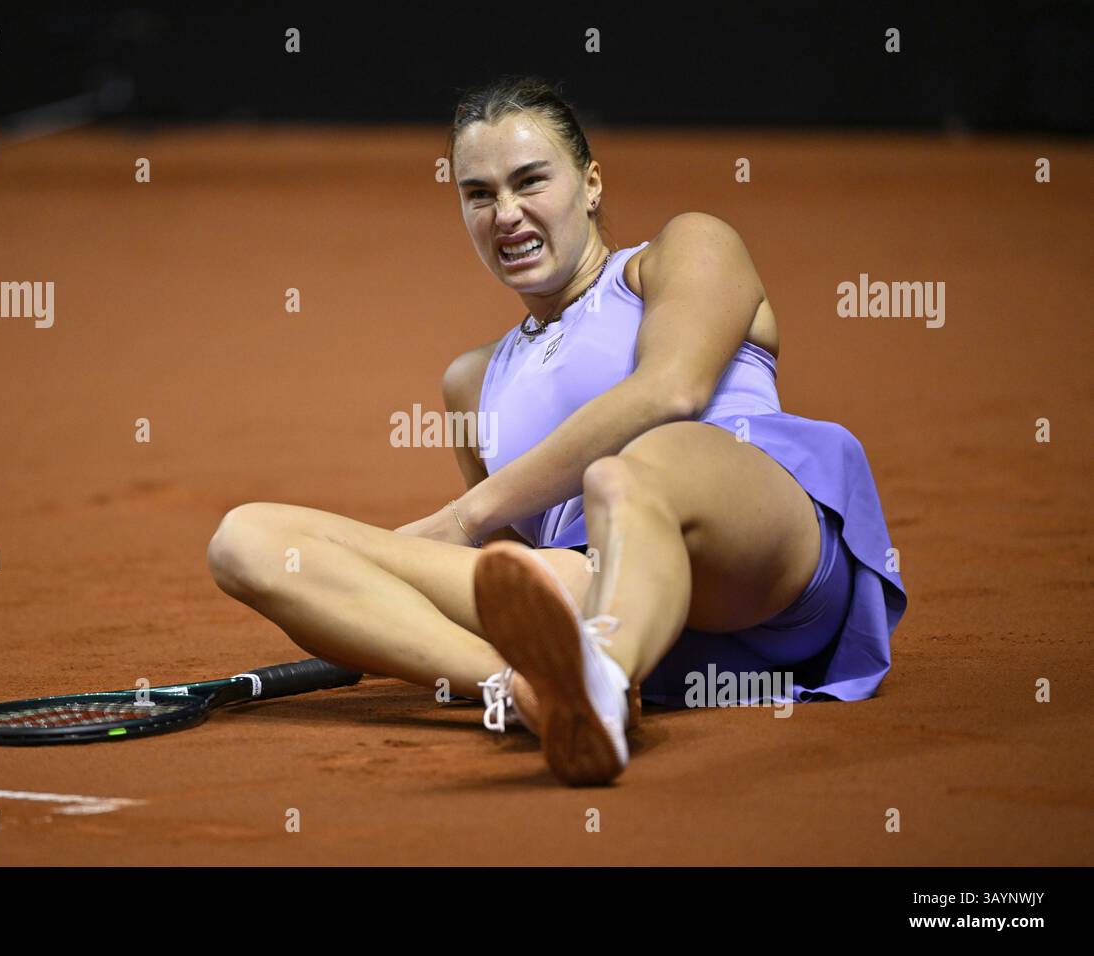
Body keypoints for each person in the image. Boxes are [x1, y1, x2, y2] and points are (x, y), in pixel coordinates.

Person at [207, 75, 907, 786]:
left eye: (529, 181)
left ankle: (597, 667)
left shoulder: (684, 249)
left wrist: (456, 521)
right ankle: (537, 691)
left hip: (759, 553)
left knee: (625, 471)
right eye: (478, 194)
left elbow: (672, 390)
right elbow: (509, 566)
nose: (505, 213)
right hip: (597, 588)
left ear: (591, 183)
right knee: (250, 541)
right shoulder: (470, 381)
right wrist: (348, 584)